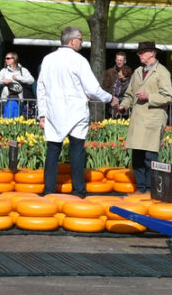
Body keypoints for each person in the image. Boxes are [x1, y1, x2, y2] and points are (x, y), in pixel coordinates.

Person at [35, 26, 113, 197]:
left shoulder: (48, 59)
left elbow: (40, 88)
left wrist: (42, 114)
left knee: (53, 150)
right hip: (76, 111)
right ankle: (78, 190)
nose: (81, 43)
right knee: (77, 150)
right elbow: (92, 89)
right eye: (80, 39)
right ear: (72, 41)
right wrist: (110, 99)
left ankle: (48, 190)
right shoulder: (79, 61)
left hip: (54, 111)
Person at [117, 41, 172, 194]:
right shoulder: (137, 72)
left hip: (153, 119)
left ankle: (151, 188)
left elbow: (168, 97)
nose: (139, 55)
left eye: (142, 52)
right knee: (137, 156)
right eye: (139, 53)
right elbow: (129, 94)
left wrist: (149, 96)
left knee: (150, 156)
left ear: (151, 53)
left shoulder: (162, 72)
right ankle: (141, 188)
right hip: (138, 119)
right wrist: (123, 106)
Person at [0, 52, 33, 117]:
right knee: (6, 119)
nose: (6, 60)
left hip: (19, 99)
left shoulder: (22, 70)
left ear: (14, 59)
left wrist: (18, 78)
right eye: (5, 58)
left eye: (8, 58)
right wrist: (3, 81)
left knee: (17, 119)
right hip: (6, 99)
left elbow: (31, 80)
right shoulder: (4, 70)